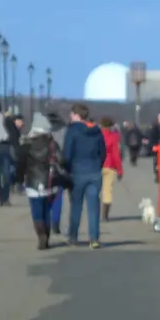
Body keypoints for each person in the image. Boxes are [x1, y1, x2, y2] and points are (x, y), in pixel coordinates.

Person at [15, 111, 65, 249]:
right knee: (46, 210)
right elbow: (62, 160)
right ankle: (47, 237)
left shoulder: (26, 143)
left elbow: (20, 164)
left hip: (32, 182)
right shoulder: (52, 144)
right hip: (50, 182)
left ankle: (41, 235)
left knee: (36, 210)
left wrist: (19, 180)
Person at [62, 103, 106, 248]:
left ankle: (73, 237)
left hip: (77, 171)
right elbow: (103, 153)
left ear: (76, 115)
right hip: (94, 171)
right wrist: (97, 165)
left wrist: (67, 169)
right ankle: (94, 238)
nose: (70, 116)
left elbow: (67, 153)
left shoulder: (72, 131)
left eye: (71, 114)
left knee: (76, 206)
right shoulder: (97, 130)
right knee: (93, 207)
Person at [99, 116, 124, 221]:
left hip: (97, 165)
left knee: (95, 190)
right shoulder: (114, 136)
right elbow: (116, 154)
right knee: (107, 191)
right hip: (109, 165)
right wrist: (119, 170)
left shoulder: (97, 135)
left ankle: (95, 212)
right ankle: (105, 215)